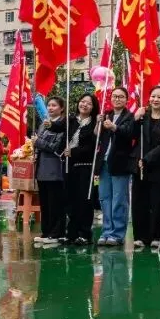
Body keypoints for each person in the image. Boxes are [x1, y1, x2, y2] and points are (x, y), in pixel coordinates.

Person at [128, 85, 160, 250]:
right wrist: (134, 119)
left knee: (159, 201)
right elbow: (131, 136)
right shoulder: (142, 117)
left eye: (159, 97)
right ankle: (140, 236)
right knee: (139, 201)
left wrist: (147, 159)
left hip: (159, 164)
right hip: (139, 164)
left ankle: (158, 236)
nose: (155, 99)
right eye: (153, 96)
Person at [97, 87, 135, 247]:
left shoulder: (130, 116)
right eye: (114, 96)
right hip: (104, 162)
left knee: (119, 199)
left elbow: (130, 133)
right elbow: (97, 136)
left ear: (126, 100)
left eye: (121, 97)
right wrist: (99, 123)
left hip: (120, 162)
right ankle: (106, 231)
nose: (117, 99)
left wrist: (114, 127)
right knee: (105, 198)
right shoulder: (106, 114)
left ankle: (118, 233)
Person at [32, 97, 70, 245]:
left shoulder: (62, 125)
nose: (50, 108)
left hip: (55, 169)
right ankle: (46, 231)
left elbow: (56, 146)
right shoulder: (43, 124)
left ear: (61, 108)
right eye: (49, 105)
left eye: (54, 105)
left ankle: (57, 233)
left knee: (55, 203)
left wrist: (38, 142)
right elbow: (39, 143)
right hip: (42, 168)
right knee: (45, 203)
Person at [64, 94, 100, 245]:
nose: (84, 105)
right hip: (69, 166)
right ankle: (71, 232)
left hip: (86, 166)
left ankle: (84, 233)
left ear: (93, 107)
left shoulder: (94, 123)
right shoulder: (70, 121)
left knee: (85, 201)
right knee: (70, 200)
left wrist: (74, 152)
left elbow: (92, 145)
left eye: (89, 103)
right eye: (82, 101)